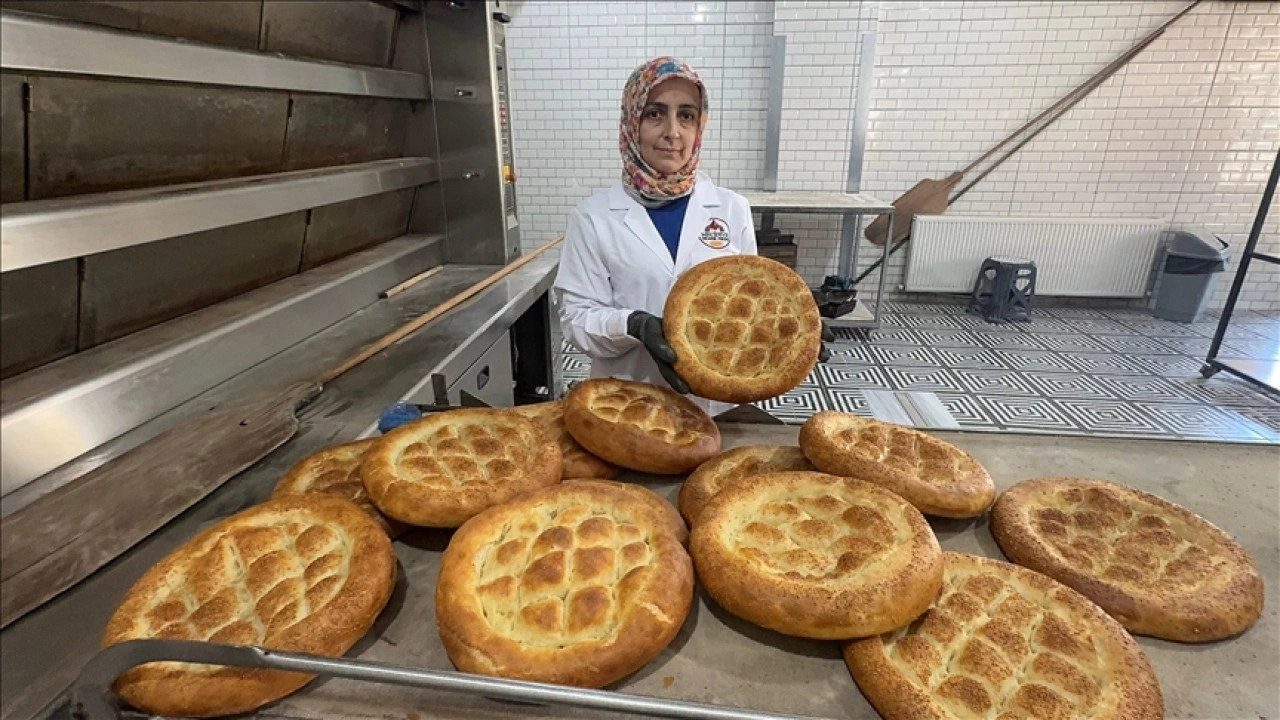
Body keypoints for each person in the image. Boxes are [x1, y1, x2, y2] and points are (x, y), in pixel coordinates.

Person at [554, 57, 828, 416]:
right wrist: (632, 325)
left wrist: (791, 331)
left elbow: (752, 300)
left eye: (686, 115)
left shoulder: (731, 208)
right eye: (655, 114)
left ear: (700, 126)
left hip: (716, 408)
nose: (673, 132)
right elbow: (576, 319)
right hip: (627, 405)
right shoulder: (593, 217)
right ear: (631, 122)